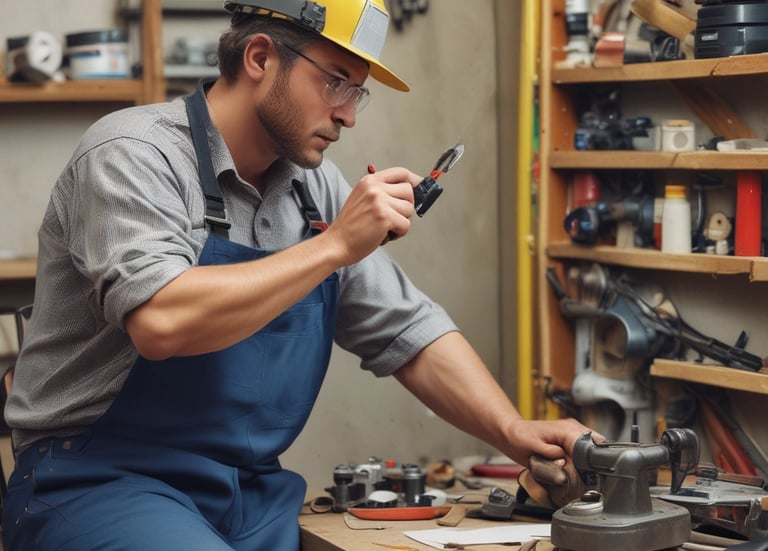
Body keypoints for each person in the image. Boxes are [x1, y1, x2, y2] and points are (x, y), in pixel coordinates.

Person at [2, 1, 595, 549]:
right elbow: (162, 321)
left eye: (358, 93)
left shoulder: (316, 189)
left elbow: (406, 330)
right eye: (334, 81)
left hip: (251, 495)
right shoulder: (132, 153)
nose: (346, 115)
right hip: (96, 480)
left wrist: (512, 430)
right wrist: (335, 246)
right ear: (259, 57)